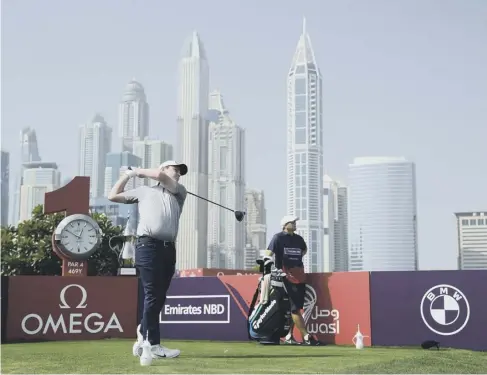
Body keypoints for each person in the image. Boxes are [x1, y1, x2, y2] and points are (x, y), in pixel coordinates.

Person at [108, 160, 188, 359]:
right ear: (163, 168)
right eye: (174, 169)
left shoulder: (179, 192)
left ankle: (143, 331)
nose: (178, 173)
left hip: (168, 249)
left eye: (180, 171)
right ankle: (152, 343)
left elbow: (160, 177)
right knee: (153, 295)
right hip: (147, 247)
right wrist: (126, 176)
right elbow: (113, 196)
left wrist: (136, 171)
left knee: (159, 297)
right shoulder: (144, 192)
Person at [265, 215, 321, 346]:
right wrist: (271, 266)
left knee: (295, 308)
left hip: (299, 276)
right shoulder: (278, 237)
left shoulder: (298, 239)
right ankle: (307, 337)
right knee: (294, 309)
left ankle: (289, 336)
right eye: (292, 222)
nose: (295, 224)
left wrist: (296, 258)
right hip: (284, 277)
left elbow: (304, 250)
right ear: (285, 225)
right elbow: (268, 254)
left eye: (295, 222)